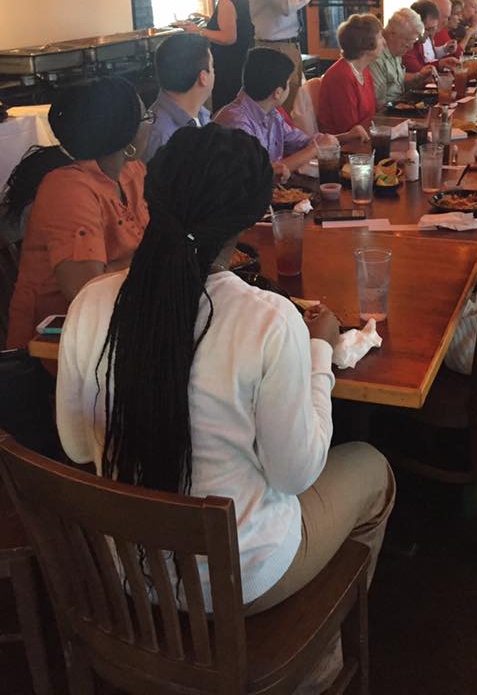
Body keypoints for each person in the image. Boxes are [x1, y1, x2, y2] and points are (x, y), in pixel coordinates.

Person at [56, 124, 395, 623]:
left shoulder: (91, 303)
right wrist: (320, 351)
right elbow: (296, 474)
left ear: (152, 198)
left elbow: (77, 446)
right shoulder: (269, 320)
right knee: (372, 467)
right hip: (240, 580)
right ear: (250, 217)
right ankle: (314, 639)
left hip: (130, 570)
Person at [6, 78, 152, 350]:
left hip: (122, 320)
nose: (150, 125)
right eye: (147, 118)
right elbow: (87, 290)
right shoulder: (67, 189)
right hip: (59, 347)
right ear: (126, 135)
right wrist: (156, 255)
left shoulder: (132, 172)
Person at [214, 47, 365, 180]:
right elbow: (261, 174)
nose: (289, 88)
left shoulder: (271, 114)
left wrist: (347, 136)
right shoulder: (237, 123)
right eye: (288, 83)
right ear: (278, 93)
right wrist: (316, 148)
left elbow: (303, 143)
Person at [177, 0, 253, 113]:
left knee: (225, 109)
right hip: (241, 63)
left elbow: (228, 37)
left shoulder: (226, 1)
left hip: (228, 68)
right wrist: (207, 19)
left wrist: (197, 31)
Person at [141, 33, 213, 163]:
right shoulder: (161, 136)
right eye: (212, 67)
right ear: (203, 78)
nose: (214, 73)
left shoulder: (201, 114)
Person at [318, 14, 382, 134]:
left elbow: (370, 118)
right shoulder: (341, 77)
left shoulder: (364, 71)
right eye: (379, 37)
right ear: (367, 44)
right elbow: (348, 129)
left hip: (364, 137)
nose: (384, 42)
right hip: (345, 143)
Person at [370, 8, 446, 107]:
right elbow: (378, 105)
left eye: (412, 42)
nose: (410, 47)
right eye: (408, 41)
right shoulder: (376, 58)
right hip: (389, 113)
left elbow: (399, 86)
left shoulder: (396, 51)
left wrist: (419, 76)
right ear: (392, 34)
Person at [403, 0, 441, 73]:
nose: (430, 34)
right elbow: (419, 72)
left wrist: (440, 64)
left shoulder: (421, 40)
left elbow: (422, 65)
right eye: (428, 29)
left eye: (433, 29)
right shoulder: (406, 44)